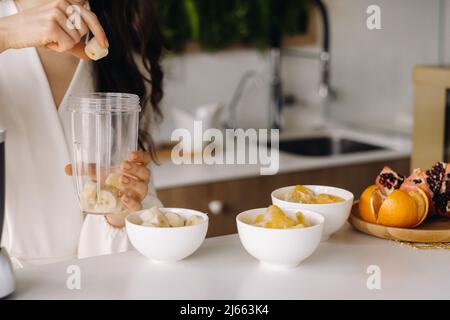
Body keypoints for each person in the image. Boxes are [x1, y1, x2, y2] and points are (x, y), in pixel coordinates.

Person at [0, 0, 165, 266]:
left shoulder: (122, 47)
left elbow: (140, 226)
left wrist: (119, 214)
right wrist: (5, 34)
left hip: (96, 285)